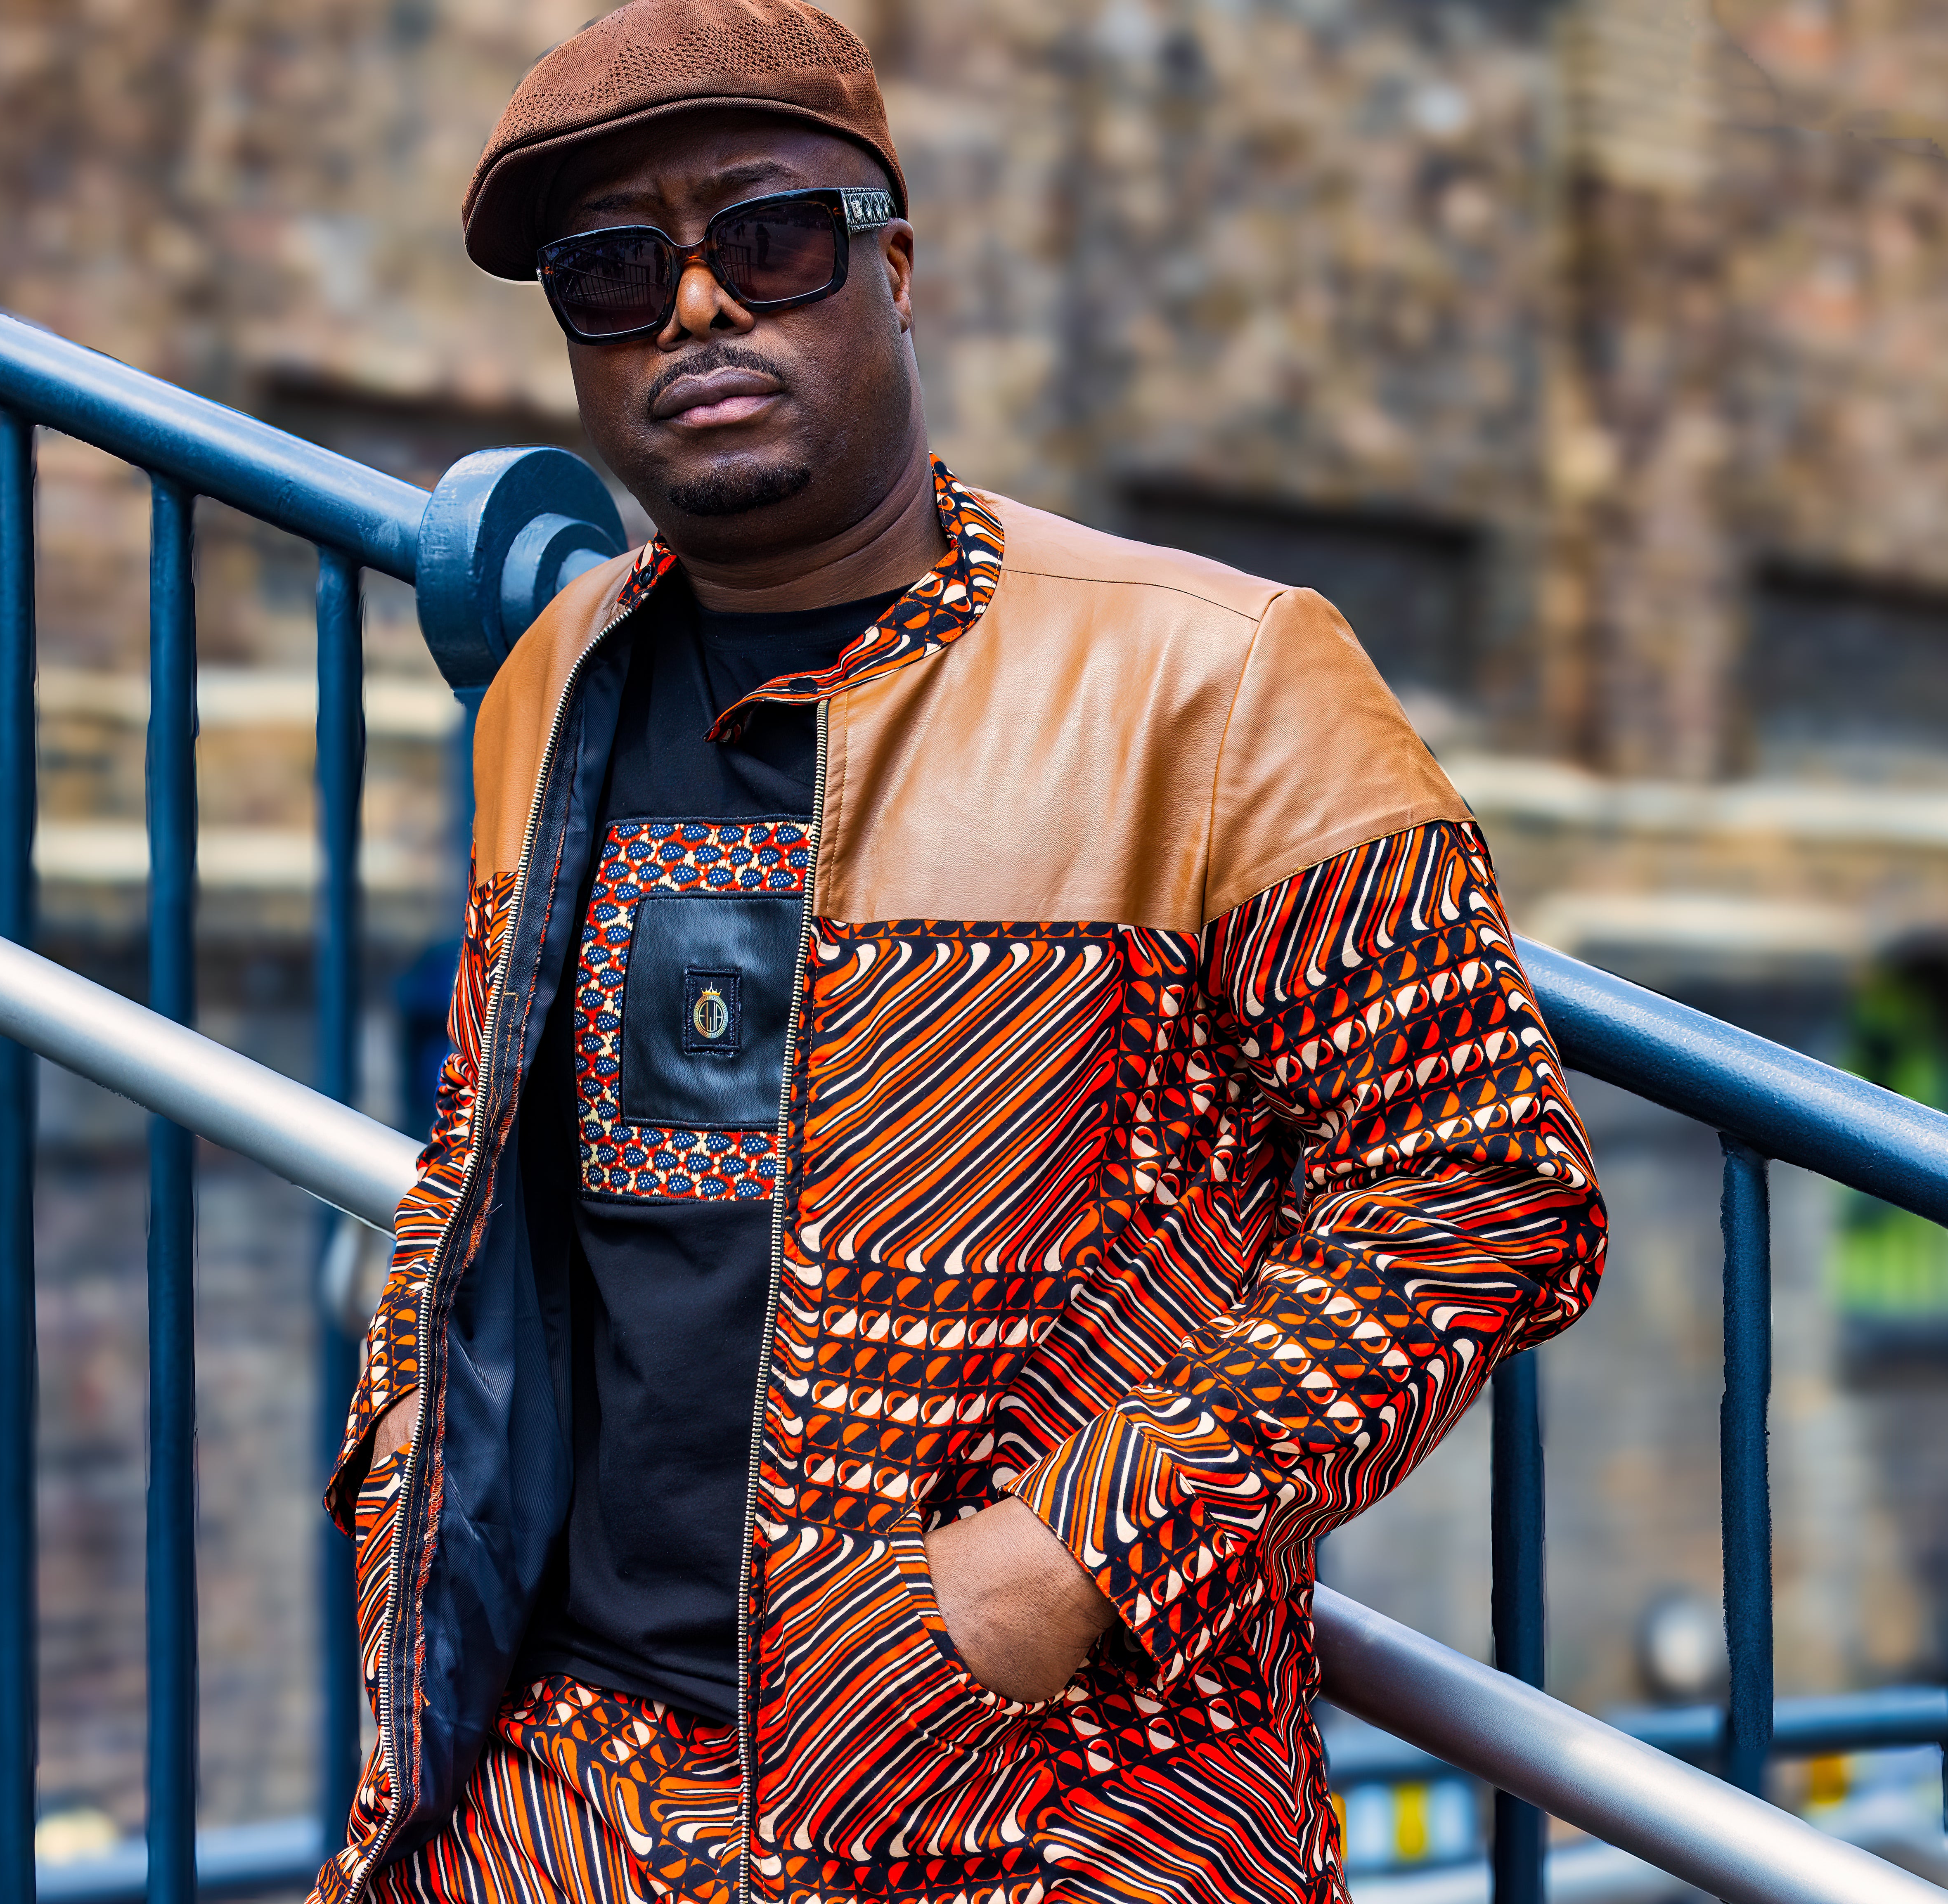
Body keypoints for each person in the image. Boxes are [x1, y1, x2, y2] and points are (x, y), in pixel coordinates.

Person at [314, 5, 1607, 1902]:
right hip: (553, 1786)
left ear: (889, 266)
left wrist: (1077, 1549)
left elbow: (1481, 1181)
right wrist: (401, 1431)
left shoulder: (1216, 677)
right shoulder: (549, 681)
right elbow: (500, 1171)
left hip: (1042, 1807)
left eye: (762, 240)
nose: (692, 311)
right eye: (611, 275)